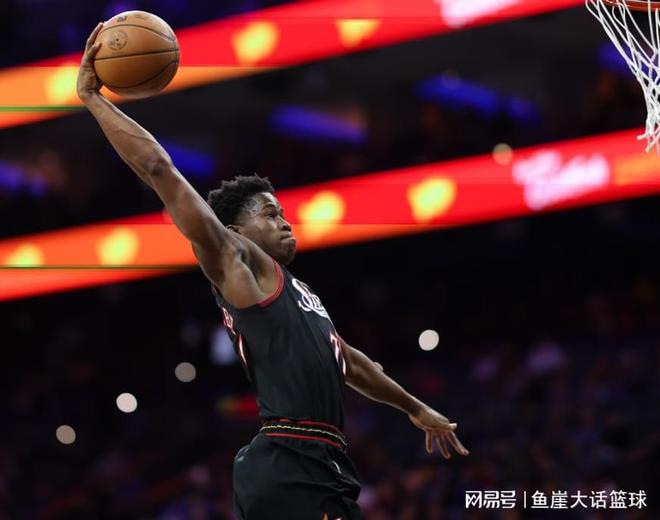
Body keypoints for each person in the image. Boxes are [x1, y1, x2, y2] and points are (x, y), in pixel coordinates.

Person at [77, 22, 469, 520]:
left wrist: (415, 408)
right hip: (290, 458)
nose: (284, 221)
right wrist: (93, 98)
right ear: (236, 230)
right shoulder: (233, 259)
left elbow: (350, 363)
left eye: (282, 212)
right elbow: (161, 171)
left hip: (317, 460)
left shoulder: (299, 292)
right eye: (269, 213)